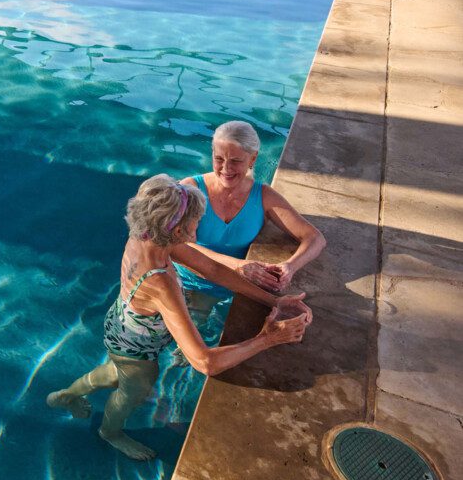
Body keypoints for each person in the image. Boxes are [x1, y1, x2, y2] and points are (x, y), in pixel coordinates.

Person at [47, 175, 312, 460]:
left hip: (121, 323)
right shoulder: (160, 283)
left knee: (116, 373)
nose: (200, 222)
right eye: (197, 219)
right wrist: (269, 338)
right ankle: (109, 432)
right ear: (176, 231)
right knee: (135, 388)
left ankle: (67, 395)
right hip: (137, 346)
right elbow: (205, 362)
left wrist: (273, 300)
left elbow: (212, 269)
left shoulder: (149, 235)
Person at [173, 120, 327, 326]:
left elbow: (315, 238)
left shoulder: (263, 197)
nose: (226, 169)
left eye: (235, 161)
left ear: (252, 159)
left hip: (238, 288)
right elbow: (176, 245)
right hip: (189, 283)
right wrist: (238, 266)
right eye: (219, 159)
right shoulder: (190, 190)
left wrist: (290, 266)